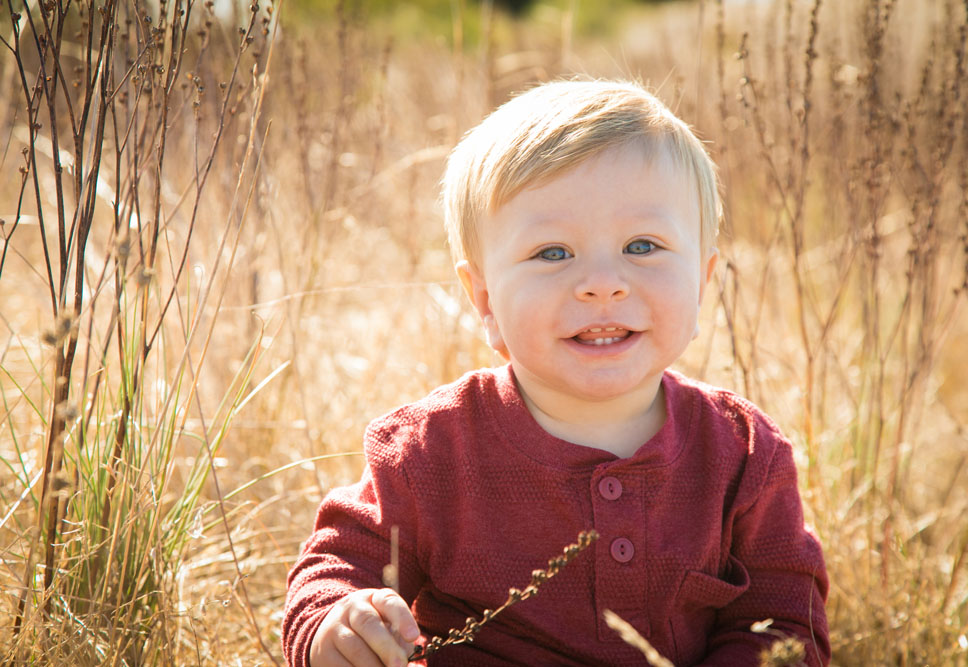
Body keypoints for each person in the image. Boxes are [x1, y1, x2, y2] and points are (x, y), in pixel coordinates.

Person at [282, 79, 830, 667]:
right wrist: (336, 622)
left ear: (701, 281)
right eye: (553, 253)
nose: (602, 281)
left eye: (642, 245)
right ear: (486, 300)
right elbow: (338, 563)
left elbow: (784, 622)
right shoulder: (428, 451)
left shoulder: (744, 452)